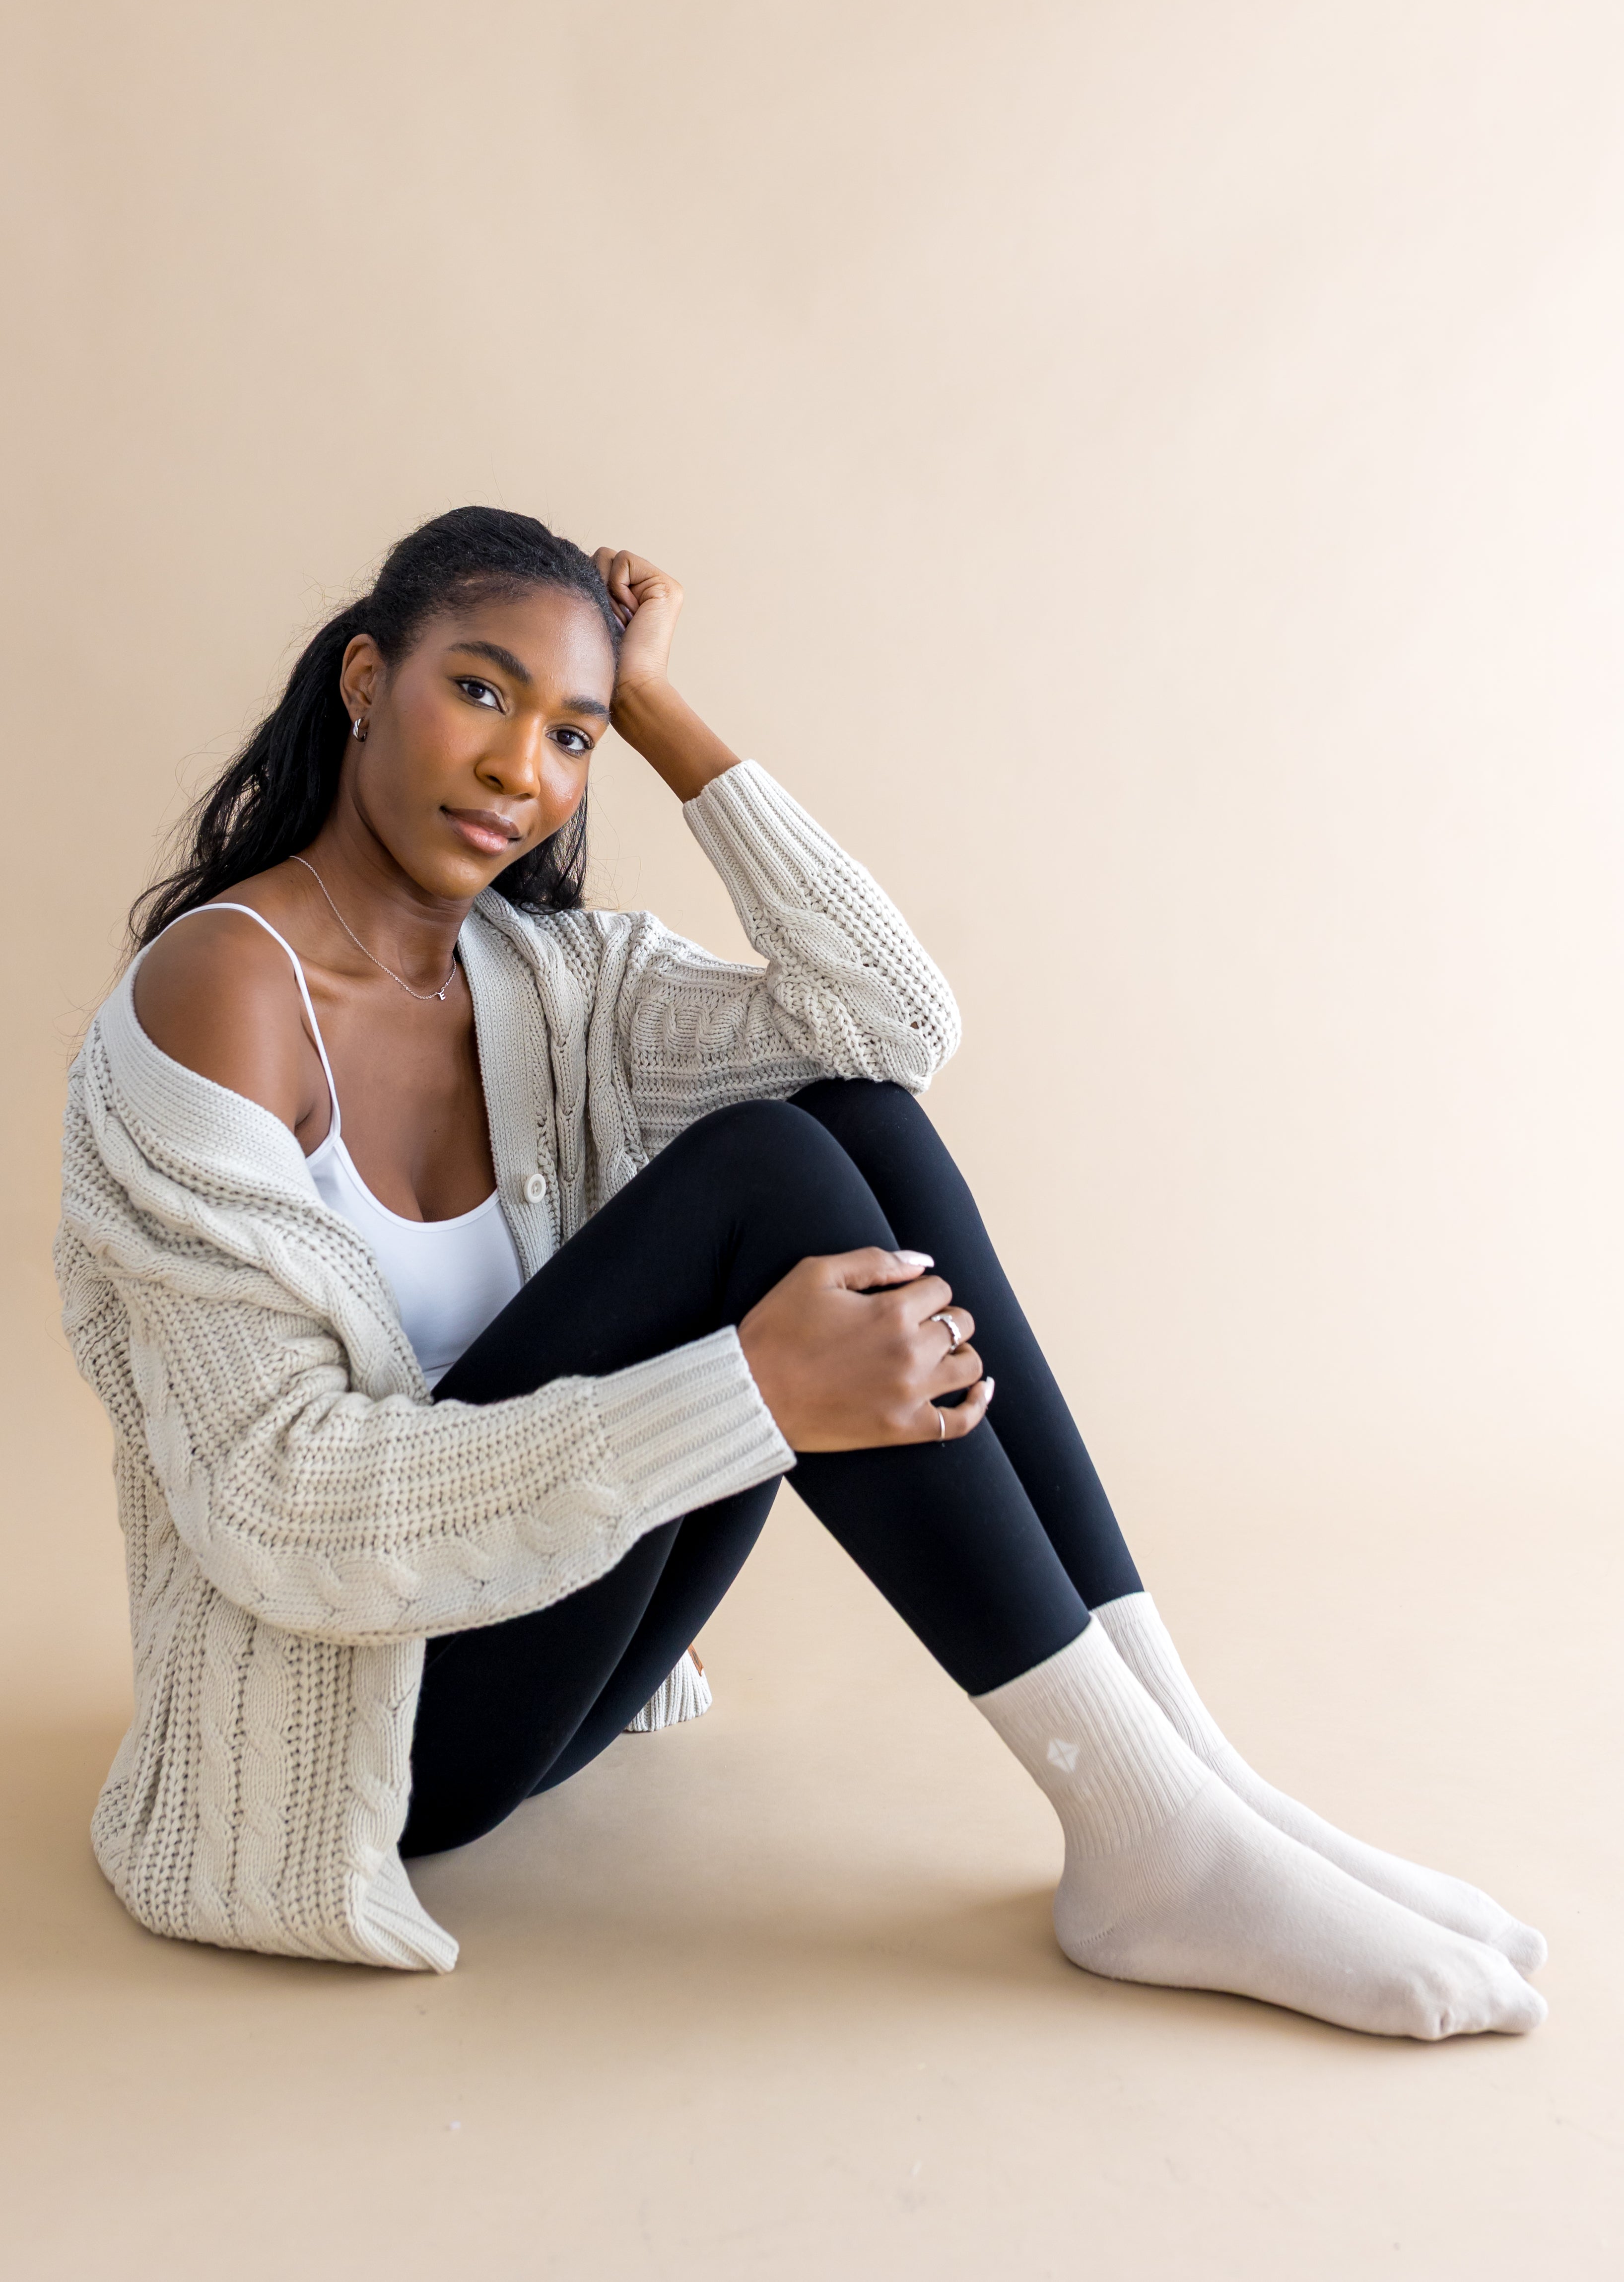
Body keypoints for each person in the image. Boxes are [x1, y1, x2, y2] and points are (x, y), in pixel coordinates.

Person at [57, 506, 1546, 2036]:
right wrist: (748, 1389)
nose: (522, 770)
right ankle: (1153, 1824)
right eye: (484, 692)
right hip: (351, 1740)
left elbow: (891, 1029)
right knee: (765, 1175)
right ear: (367, 679)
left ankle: (1181, 1783)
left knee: (846, 1123)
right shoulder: (223, 989)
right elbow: (271, 1501)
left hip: (554, 1664)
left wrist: (665, 714)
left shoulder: (547, 977)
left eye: (574, 733)